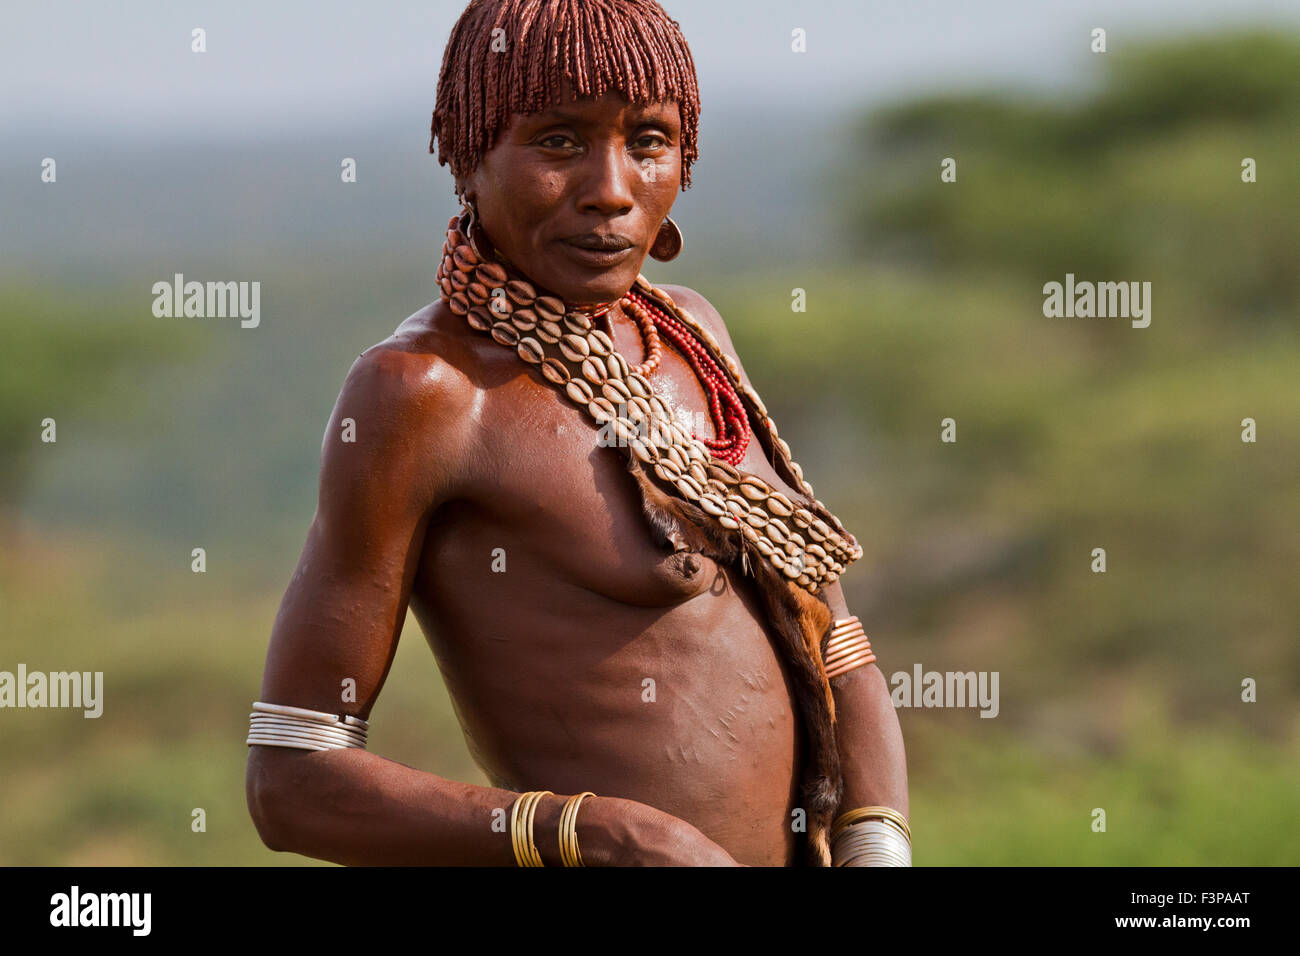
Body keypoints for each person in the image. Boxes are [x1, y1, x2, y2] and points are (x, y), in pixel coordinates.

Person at [245, 0, 908, 867]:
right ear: (469, 154)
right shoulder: (424, 396)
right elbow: (293, 778)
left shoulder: (690, 335)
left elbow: (832, 634)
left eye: (648, 141)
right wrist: (596, 833)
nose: (611, 188)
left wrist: (875, 845)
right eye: (558, 142)